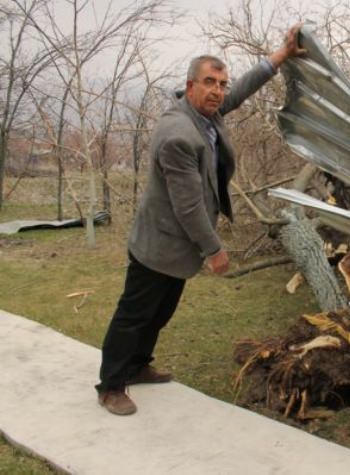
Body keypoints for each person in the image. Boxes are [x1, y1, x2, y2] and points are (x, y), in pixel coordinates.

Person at [95, 24, 306, 416]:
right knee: (134, 315)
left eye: (221, 83)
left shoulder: (202, 114)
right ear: (190, 85)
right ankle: (110, 386)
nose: (219, 91)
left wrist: (281, 55)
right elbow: (188, 205)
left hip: (176, 246)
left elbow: (241, 91)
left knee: (161, 312)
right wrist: (215, 250)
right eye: (210, 82)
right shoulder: (179, 135)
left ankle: (138, 365)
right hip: (158, 244)